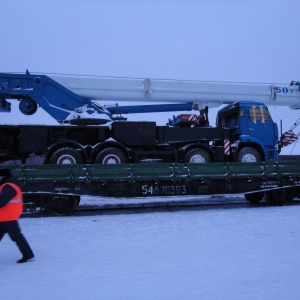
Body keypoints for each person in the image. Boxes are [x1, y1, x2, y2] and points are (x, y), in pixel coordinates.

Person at [0, 168, 34, 263]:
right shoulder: (7, 185)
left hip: (8, 217)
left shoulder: (9, 186)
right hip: (4, 216)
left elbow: (2, 201)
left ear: (2, 176)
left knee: (16, 236)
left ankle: (28, 254)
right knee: (17, 236)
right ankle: (28, 254)